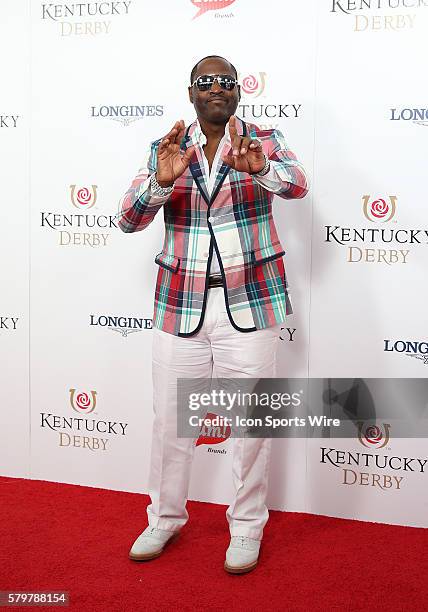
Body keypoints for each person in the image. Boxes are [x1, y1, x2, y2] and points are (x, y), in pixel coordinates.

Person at [117, 55, 308, 574]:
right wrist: (160, 183)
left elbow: (297, 184)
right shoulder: (167, 146)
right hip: (182, 303)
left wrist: (261, 169)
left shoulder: (263, 139)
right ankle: (164, 518)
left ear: (239, 92)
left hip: (250, 302)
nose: (217, 89)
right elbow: (128, 219)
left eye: (226, 81)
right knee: (170, 424)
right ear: (192, 93)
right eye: (207, 82)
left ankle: (246, 528)